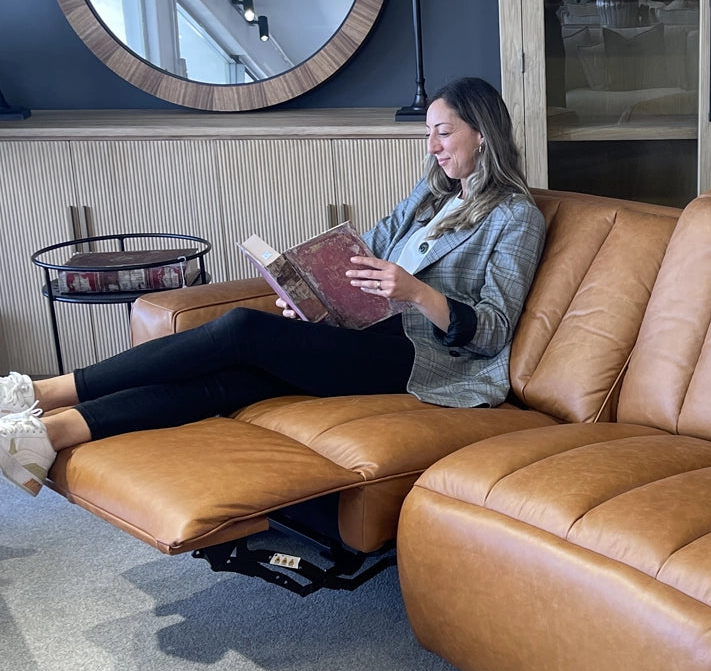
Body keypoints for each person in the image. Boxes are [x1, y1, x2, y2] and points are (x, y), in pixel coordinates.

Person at [0, 77, 546, 497]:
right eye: (428, 132)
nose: (431, 146)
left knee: (240, 327)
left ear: (482, 133)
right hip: (367, 333)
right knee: (235, 380)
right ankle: (50, 435)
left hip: (422, 360)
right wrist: (313, 294)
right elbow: (361, 250)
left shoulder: (515, 215)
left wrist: (417, 293)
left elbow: (493, 330)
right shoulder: (429, 198)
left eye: (443, 132)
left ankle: (42, 393)